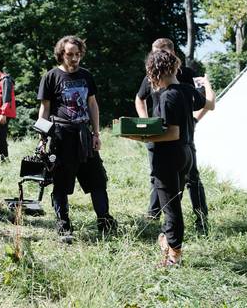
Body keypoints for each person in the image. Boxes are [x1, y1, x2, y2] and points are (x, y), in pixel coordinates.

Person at [126, 50, 215, 267]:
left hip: (168, 156)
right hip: (186, 154)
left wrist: (137, 136)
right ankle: (167, 239)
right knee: (174, 203)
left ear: (157, 72)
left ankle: (174, 256)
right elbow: (209, 102)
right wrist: (208, 83)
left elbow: (171, 133)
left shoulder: (167, 96)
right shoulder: (186, 90)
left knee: (171, 208)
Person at [37, 36, 117, 243]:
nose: (74, 58)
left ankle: (105, 222)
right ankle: (63, 226)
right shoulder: (51, 77)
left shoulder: (86, 76)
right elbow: (44, 109)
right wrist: (42, 138)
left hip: (84, 135)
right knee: (61, 184)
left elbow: (92, 105)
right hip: (61, 136)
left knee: (98, 181)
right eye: (70, 54)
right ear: (61, 54)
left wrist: (96, 134)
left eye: (77, 54)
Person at [135, 38, 210, 233]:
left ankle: (182, 238)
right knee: (164, 187)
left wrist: (142, 136)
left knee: (184, 189)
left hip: (173, 145)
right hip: (172, 145)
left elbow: (173, 132)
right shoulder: (179, 88)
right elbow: (207, 101)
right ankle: (156, 218)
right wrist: (145, 124)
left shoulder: (175, 90)